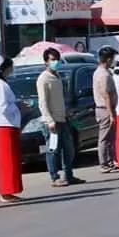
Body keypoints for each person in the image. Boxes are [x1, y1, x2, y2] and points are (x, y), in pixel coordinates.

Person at [37, 48, 85, 187]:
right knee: (53, 150)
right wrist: (49, 120)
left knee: (69, 149)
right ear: (46, 61)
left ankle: (68, 175)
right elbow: (43, 102)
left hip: (63, 119)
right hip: (51, 122)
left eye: (57, 59)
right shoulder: (43, 79)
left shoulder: (57, 76)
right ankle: (54, 177)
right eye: (52, 59)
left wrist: (67, 112)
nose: (55, 62)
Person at [0, 54, 23, 203]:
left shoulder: (1, 83)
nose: (12, 70)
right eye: (10, 68)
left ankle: (10, 190)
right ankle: (5, 191)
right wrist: (17, 106)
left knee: (12, 160)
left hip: (10, 124)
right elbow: (1, 107)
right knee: (6, 161)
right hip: (4, 124)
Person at [94, 46, 119, 173]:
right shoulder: (103, 74)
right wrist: (111, 114)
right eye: (113, 59)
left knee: (110, 137)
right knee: (105, 138)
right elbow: (105, 94)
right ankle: (104, 163)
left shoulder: (103, 72)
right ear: (108, 59)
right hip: (105, 109)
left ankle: (110, 162)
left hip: (106, 108)